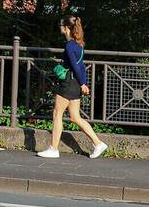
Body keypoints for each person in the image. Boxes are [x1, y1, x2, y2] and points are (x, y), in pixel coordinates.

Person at [39, 15, 108, 159]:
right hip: (75, 84)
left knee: (57, 114)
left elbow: (76, 67)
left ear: (66, 28)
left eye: (60, 26)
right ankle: (98, 143)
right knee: (75, 117)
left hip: (68, 84)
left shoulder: (70, 45)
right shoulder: (79, 44)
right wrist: (83, 82)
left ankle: (53, 149)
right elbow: (81, 66)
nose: (60, 28)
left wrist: (83, 83)